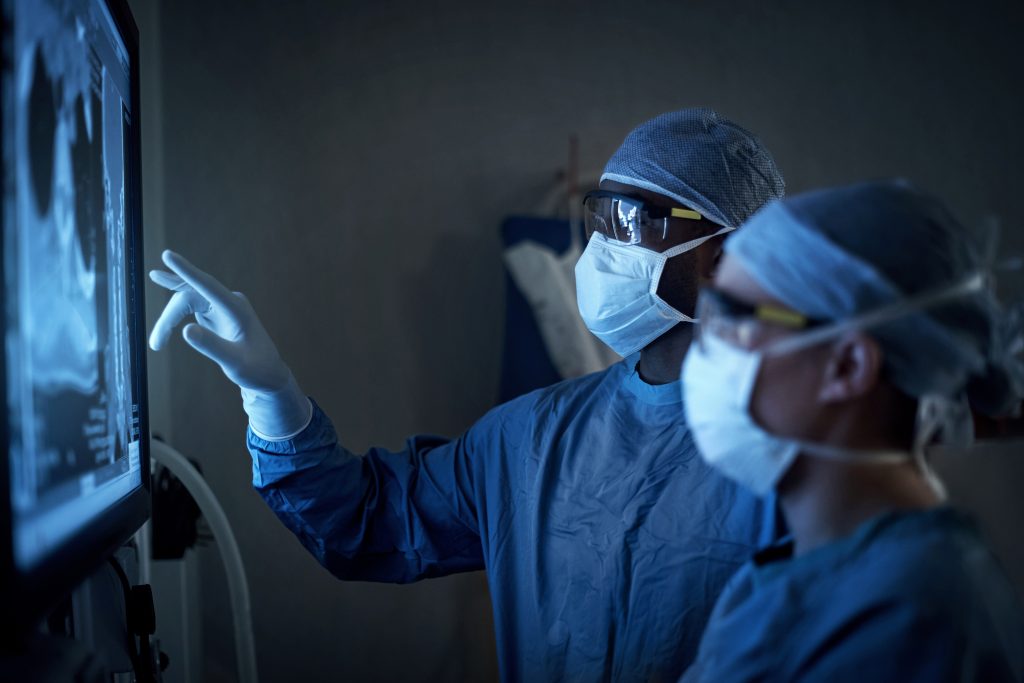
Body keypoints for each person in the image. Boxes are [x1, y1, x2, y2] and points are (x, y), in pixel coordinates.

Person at [148, 109, 787, 682]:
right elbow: (366, 522)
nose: (602, 250)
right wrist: (272, 398)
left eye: (633, 223)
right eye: (599, 218)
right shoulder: (534, 437)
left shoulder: (801, 455)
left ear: (726, 256)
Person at [679, 180, 1024, 682]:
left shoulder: (912, 616)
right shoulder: (801, 569)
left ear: (848, 365)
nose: (707, 350)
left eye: (733, 320)